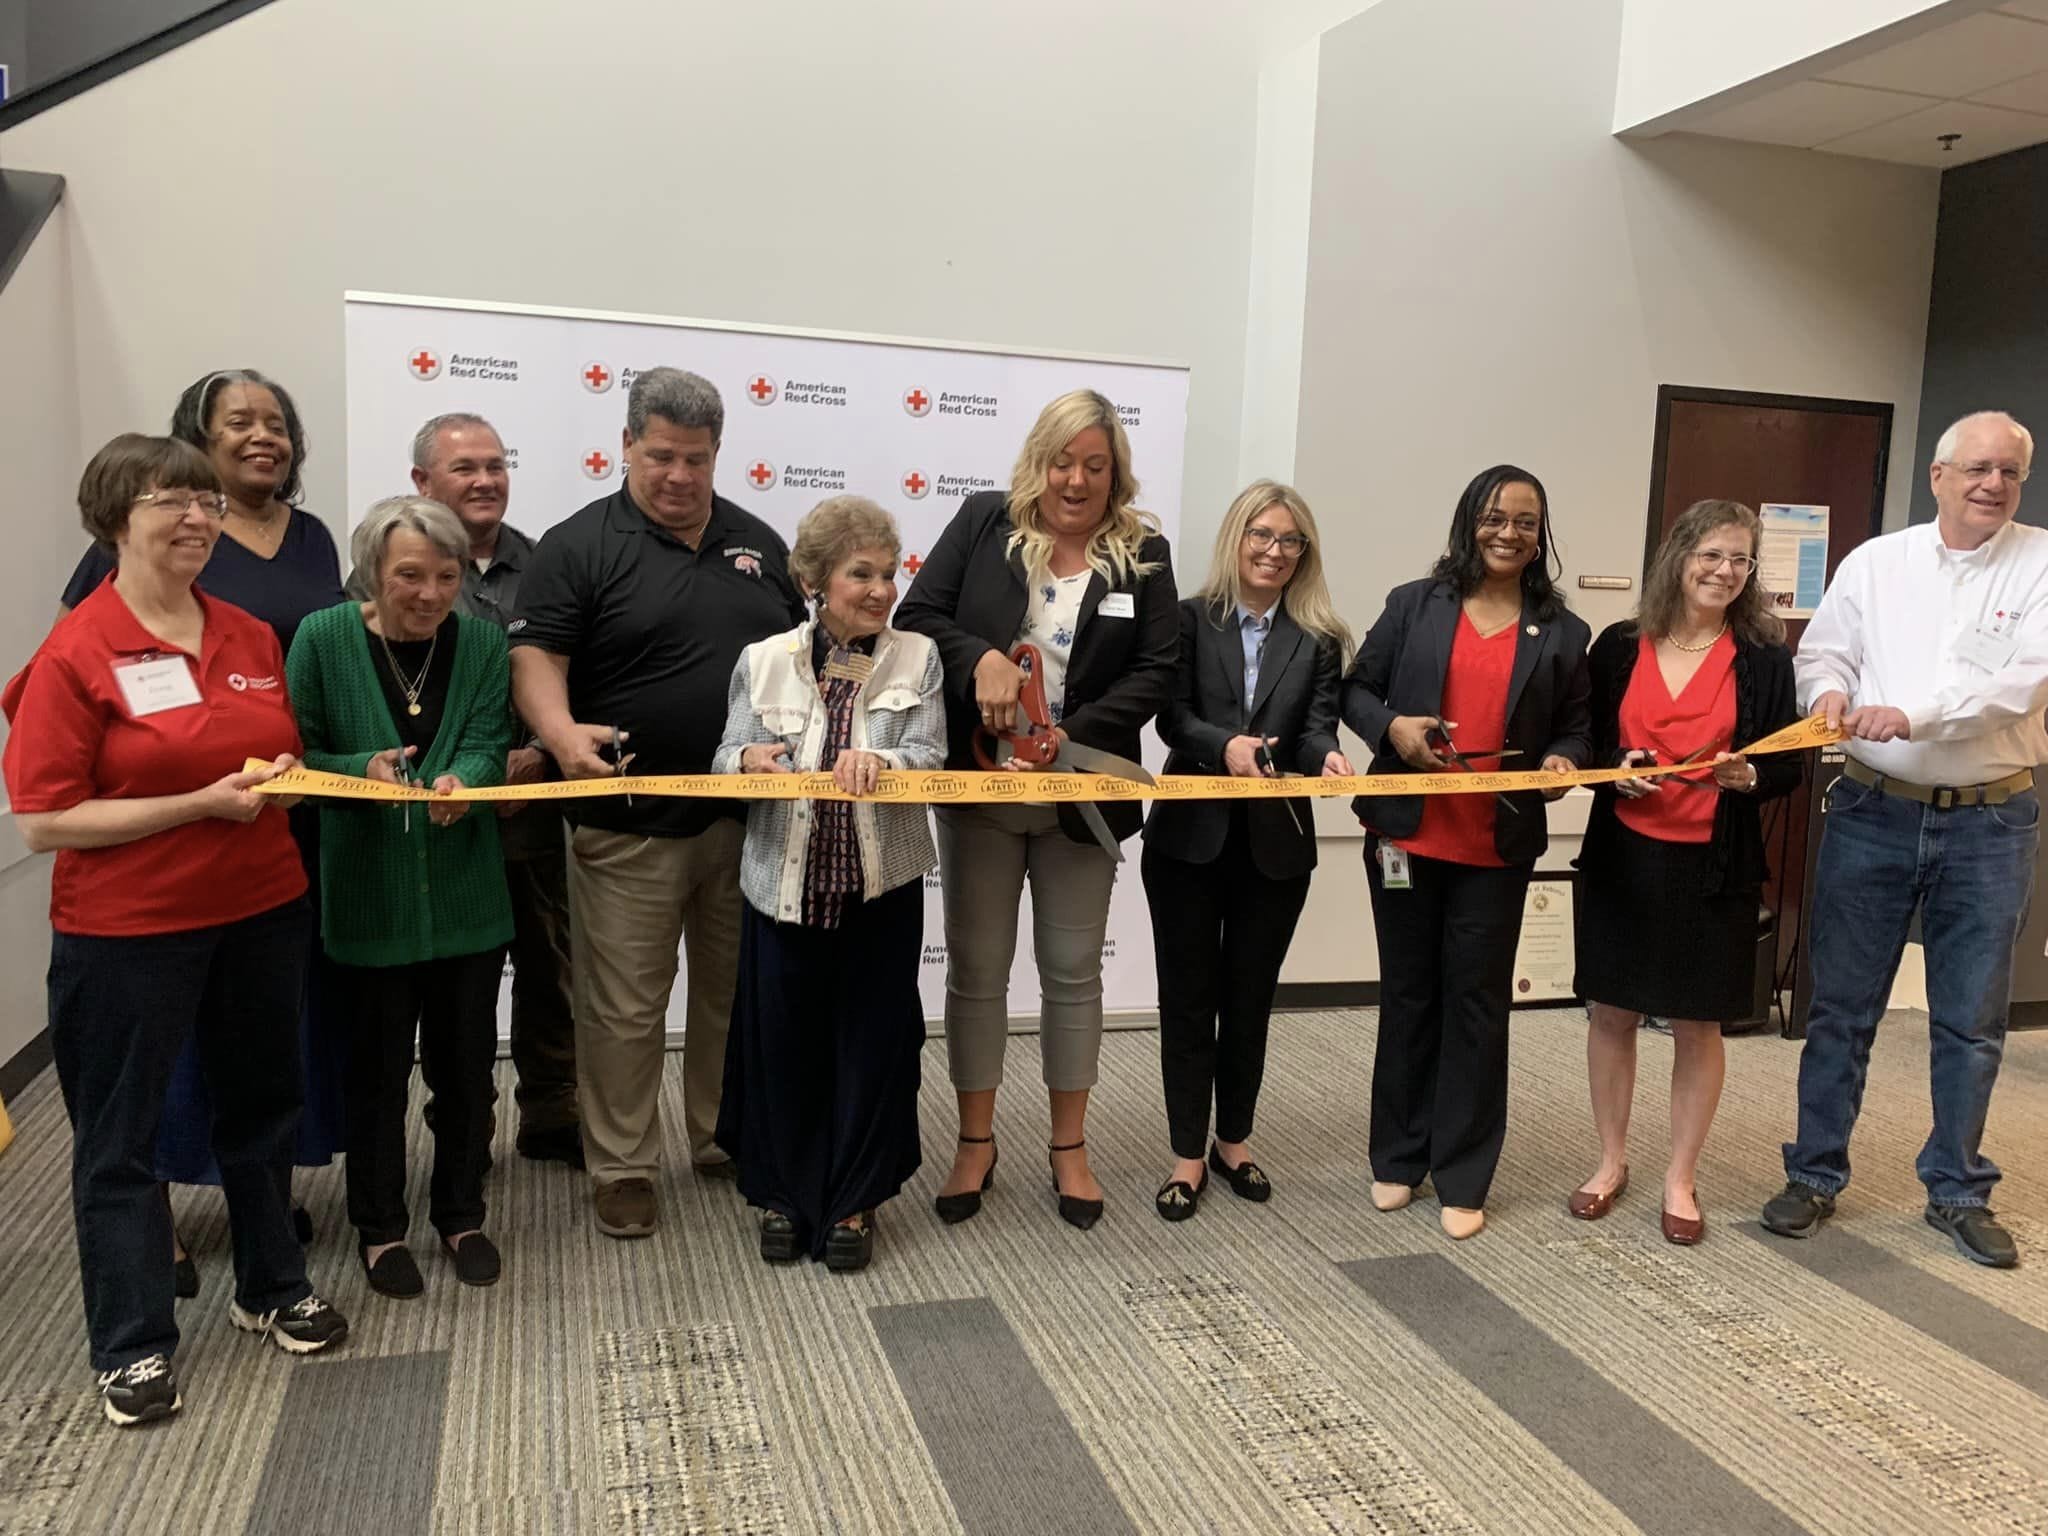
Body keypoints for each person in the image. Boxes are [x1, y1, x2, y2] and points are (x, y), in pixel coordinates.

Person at [5, 435, 349, 1426]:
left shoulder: (245, 635)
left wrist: (275, 780)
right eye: (172, 500)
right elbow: (46, 818)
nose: (198, 517)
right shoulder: (76, 651)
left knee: (262, 1107)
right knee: (121, 1142)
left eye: (206, 501)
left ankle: (271, 1287)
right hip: (129, 930)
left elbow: (267, 754)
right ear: (115, 517)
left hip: (259, 910)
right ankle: (133, 1343)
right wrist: (198, 803)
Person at [58, 369, 344, 1295]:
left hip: (273, 838)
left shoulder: (311, 537)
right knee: (156, 1053)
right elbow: (62, 698)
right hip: (149, 861)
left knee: (261, 1043)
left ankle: (256, 1213)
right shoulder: (130, 563)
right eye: (238, 423)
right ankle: (158, 1223)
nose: (263, 436)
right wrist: (179, 789)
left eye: (276, 422)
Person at [510, 368, 805, 1238]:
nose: (678, 475)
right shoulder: (577, 544)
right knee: (625, 1007)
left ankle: (719, 1135)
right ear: (627, 445)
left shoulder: (759, 542)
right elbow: (537, 661)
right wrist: (562, 740)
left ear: (720, 456)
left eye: (697, 459)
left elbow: (799, 656)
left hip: (742, 818)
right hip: (625, 821)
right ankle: (624, 1164)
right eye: (662, 456)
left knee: (729, 992)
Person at [1764, 411, 2048, 1269]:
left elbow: (2019, 685)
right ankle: (1815, 1175)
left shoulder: (2041, 562)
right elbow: (1826, 655)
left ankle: (1957, 1188)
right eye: (1976, 468)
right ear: (1937, 475)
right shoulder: (1876, 562)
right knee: (1842, 1008)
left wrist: (1910, 714)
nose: (1992, 485)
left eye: (2009, 472)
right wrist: (1825, 700)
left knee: (1971, 1020)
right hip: (1871, 810)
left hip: (1992, 819)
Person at [896, 389, 1178, 1230]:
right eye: (1063, 460)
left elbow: (1158, 669)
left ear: (1116, 472)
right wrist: (980, 654)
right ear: (1038, 460)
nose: (1077, 479)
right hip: (981, 792)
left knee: (1071, 974)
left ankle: (1069, 1147)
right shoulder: (985, 522)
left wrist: (1066, 737)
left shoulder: (1144, 551)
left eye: (1096, 465)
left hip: (1080, 799)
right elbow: (917, 619)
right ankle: (975, 1142)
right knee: (978, 974)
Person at [1341, 464, 1591, 1241]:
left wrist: (1560, 763)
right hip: (1407, 838)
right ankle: (1397, 1157)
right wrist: (1393, 730)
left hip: (1495, 844)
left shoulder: (1564, 632)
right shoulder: (1414, 605)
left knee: (1478, 1007)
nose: (1508, 532)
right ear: (1468, 521)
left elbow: (1578, 730)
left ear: (1540, 533)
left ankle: (1464, 1171)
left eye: (1524, 520)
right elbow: (1356, 690)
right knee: (1409, 995)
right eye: (1494, 516)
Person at [712, 497, 947, 1270]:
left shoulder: (918, 657)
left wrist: (887, 763)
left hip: (879, 892)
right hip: (782, 889)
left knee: (873, 1049)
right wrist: (748, 762)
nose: (881, 589)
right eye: (861, 574)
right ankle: (783, 1194)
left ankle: (855, 1203)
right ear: (816, 578)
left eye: (889, 571)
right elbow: (726, 756)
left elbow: (932, 760)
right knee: (783, 1045)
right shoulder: (764, 658)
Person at [289, 496, 513, 1296]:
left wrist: (470, 781)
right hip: (367, 900)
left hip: (468, 902)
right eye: (408, 575)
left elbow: (489, 741)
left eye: (447, 576)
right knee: (375, 1075)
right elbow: (297, 751)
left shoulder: (485, 643)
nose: (429, 593)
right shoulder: (322, 638)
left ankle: (461, 1213)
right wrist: (361, 773)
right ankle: (380, 1229)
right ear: (372, 575)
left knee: (466, 1073)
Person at [346, 413, 580, 1168]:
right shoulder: (375, 569)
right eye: (464, 469)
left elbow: (579, 673)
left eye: (495, 465)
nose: (485, 481)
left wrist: (543, 753)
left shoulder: (547, 564)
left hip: (530, 815)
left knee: (552, 974)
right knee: (454, 1001)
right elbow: (368, 686)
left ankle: (552, 1114)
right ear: (422, 482)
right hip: (435, 825)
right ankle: (463, 1141)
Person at [1570, 500, 1799, 1245]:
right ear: (1679, 557)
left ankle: (1680, 1177)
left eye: (1740, 560)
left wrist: (1749, 777)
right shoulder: (1617, 646)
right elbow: (1589, 744)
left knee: (1700, 1023)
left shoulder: (1763, 656)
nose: (1725, 572)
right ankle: (1610, 1162)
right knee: (1614, 1012)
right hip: (1623, 858)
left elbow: (1786, 762)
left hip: (1715, 866)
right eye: (1712, 555)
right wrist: (1614, 770)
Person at [1141, 481, 1352, 1220]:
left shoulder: (1320, 636)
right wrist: (1222, 747)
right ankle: (1185, 1154)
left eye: (1290, 541)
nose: (1274, 550)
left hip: (1276, 848)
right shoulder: (1190, 620)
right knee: (1189, 1000)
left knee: (1250, 1000)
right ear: (1237, 538)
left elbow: (1319, 724)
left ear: (1304, 554)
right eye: (1261, 535)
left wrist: (1326, 756)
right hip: (1188, 842)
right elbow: (1170, 717)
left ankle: (1235, 1140)